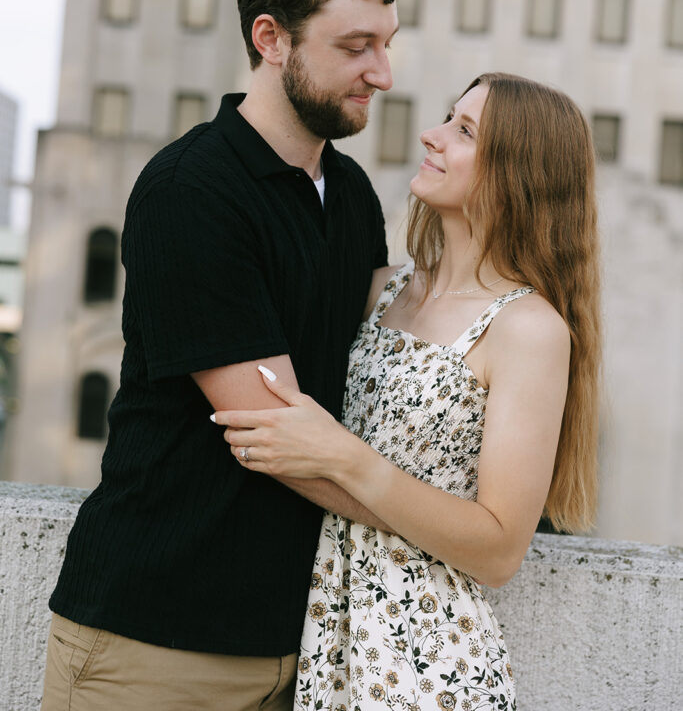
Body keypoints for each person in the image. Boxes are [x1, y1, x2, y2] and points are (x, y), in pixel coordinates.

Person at [41, 0, 406, 711]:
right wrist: (451, 526)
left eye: (386, 43)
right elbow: (276, 437)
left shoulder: (351, 197)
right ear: (270, 39)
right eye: (354, 47)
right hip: (151, 647)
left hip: (296, 647)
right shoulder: (191, 194)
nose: (381, 73)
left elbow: (380, 390)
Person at [214, 72, 602, 710]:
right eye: (450, 118)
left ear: (518, 173)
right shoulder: (384, 288)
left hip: (426, 659)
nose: (433, 134)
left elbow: (502, 547)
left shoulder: (528, 329)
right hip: (318, 637)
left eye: (464, 131)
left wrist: (342, 456)